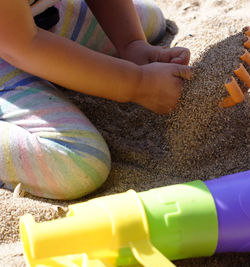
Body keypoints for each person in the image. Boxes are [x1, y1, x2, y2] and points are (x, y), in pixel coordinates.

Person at [0, 0, 192, 200]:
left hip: (32, 19)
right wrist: (139, 83)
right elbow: (23, 44)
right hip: (16, 38)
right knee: (78, 163)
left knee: (152, 22)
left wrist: (131, 44)